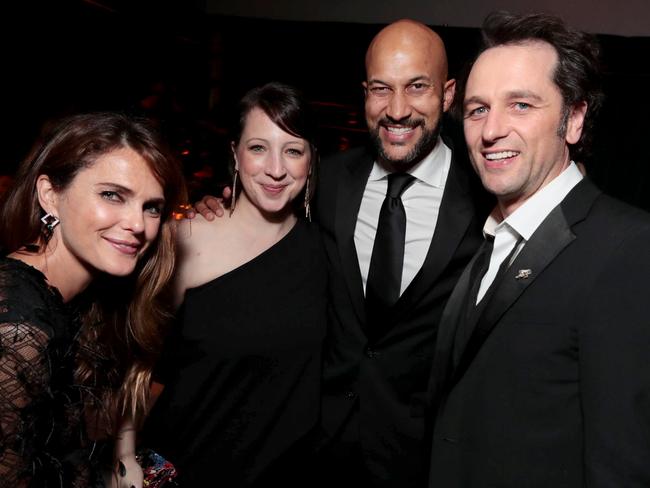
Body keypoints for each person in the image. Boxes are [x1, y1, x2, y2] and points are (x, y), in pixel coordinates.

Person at [196, 20, 490, 487]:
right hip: (312, 449)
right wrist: (217, 209)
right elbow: (264, 213)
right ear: (365, 93)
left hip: (420, 458)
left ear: (448, 93)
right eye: (381, 89)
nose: (397, 110)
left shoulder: (486, 196)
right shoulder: (327, 181)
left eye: (417, 87)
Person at [428, 11, 650, 486]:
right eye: (477, 109)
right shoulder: (484, 234)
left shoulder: (628, 249)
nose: (491, 131)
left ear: (573, 119)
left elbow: (622, 461)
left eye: (521, 105)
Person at [141, 82, 327, 486]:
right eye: (258, 148)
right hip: (181, 469)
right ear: (235, 154)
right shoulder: (185, 241)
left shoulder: (326, 252)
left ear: (311, 161)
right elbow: (130, 362)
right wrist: (122, 454)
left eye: (293, 150)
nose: (276, 169)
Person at [0, 112, 186, 487]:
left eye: (152, 206)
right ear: (50, 195)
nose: (138, 224)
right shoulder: (19, 325)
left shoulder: (86, 300)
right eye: (112, 195)